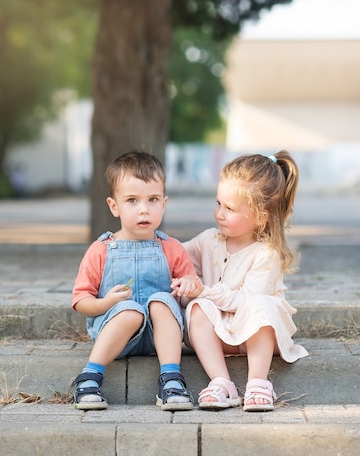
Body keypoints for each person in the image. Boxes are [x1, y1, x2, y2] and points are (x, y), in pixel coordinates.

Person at [171, 150, 308, 412]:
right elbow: (176, 256)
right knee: (197, 308)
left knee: (259, 305)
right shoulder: (208, 240)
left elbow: (245, 302)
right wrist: (187, 276)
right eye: (218, 203)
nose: (220, 213)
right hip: (218, 335)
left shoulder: (266, 253)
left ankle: (258, 382)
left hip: (257, 335)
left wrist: (204, 290)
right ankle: (221, 382)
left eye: (230, 208)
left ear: (261, 216)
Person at [71, 150, 196, 411]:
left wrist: (187, 288)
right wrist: (106, 303)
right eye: (132, 200)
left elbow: (189, 293)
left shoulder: (171, 248)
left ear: (164, 203)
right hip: (116, 333)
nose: (143, 209)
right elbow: (81, 300)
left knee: (162, 300)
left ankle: (171, 379)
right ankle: (90, 378)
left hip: (160, 336)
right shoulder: (101, 249)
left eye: (152, 199)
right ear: (114, 206)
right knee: (130, 310)